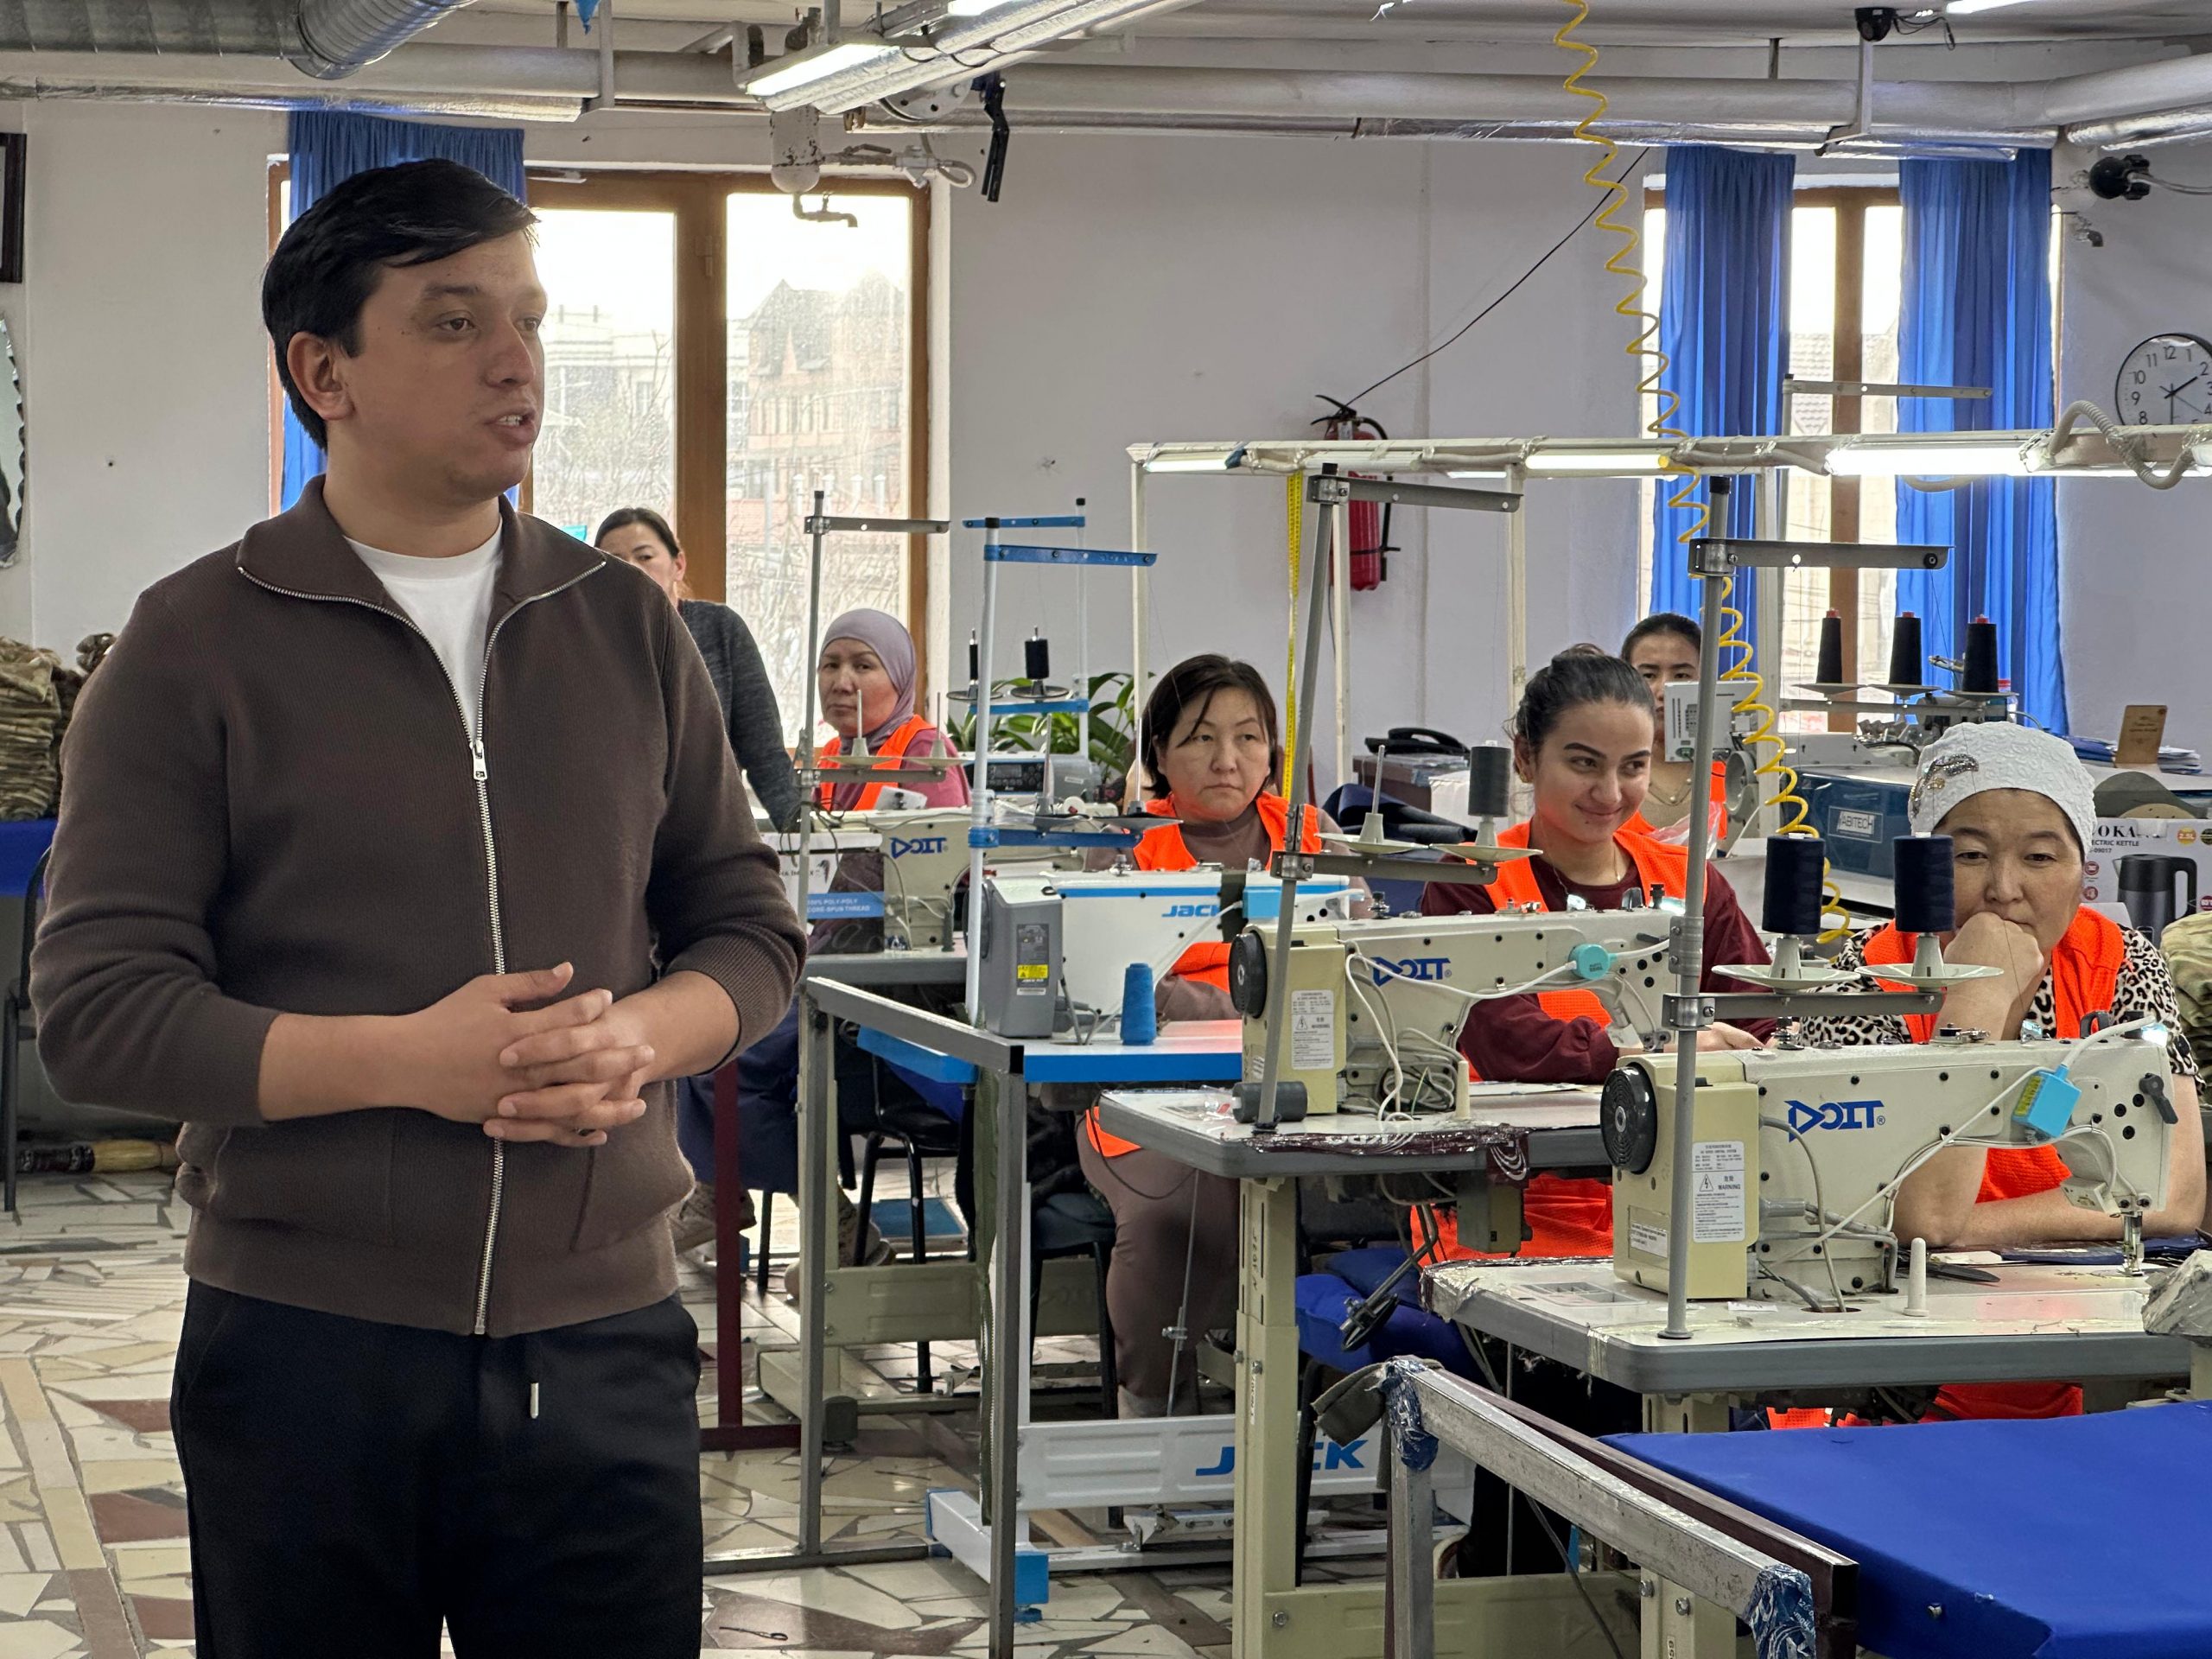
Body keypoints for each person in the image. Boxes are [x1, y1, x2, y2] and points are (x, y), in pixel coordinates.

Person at [30, 162, 805, 1657]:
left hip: (601, 1342)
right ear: (324, 373)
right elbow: (101, 1014)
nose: (516, 362)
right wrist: (408, 1062)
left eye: (529, 319)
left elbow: (751, 928)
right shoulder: (193, 643)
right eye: (454, 323)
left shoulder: (625, 627)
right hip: (309, 1349)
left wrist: (641, 1038)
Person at [1797, 721, 2205, 1419]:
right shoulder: (1866, 981)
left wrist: (1969, 1229)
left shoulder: (2118, 964)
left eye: (2040, 857)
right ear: (1923, 867)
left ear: (2083, 869)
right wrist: (1977, 1006)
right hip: (1893, 1377)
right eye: (1970, 856)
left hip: (2081, 1357)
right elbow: (1912, 1216)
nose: (2004, 890)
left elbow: (2174, 1198)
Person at [1421, 646, 1774, 1257]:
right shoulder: (1472, 883)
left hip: (1678, 1199)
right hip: (1514, 1207)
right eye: (1584, 763)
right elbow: (1507, 1042)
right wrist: (1662, 1051)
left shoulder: (1689, 882)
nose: (1609, 792)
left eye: (1633, 766)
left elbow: (1758, 1017)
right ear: (1526, 758)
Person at [1079, 655, 1352, 1416]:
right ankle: (1153, 1414)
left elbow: (1362, 968)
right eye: (1201, 738)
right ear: (1159, 754)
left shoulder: (1314, 837)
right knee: (1178, 1212)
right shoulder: (1128, 845)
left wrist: (1201, 1001)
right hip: (1144, 1103)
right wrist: (1254, 1005)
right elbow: (1119, 992)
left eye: (1248, 737)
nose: (1228, 760)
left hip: (1303, 1093)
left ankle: (1338, 1411)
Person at [718, 608, 970, 1294]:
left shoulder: (926, 754)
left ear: (901, 676)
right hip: (823, 967)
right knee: (713, 1049)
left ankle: (795, 1216)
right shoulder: (826, 762)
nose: (842, 681)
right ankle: (821, 1220)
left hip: (888, 985)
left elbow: (884, 875)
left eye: (864, 665)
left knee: (735, 1055)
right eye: (830, 665)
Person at [595, 506, 803, 830]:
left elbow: (764, 753)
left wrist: (801, 831)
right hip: (617, 830)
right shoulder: (587, 642)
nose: (631, 569)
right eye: (615, 560)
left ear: (678, 565)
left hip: (711, 828)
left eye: (645, 556)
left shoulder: (721, 629)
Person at [1619, 612, 1726, 844]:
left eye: (1681, 675)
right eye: (1648, 675)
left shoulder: (1736, 774)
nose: (1663, 690)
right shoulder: (1609, 774)